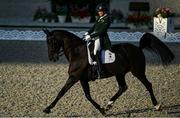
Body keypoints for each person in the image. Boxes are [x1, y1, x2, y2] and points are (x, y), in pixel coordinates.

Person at [84, 3, 112, 78]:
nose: (99, 12)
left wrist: (90, 36)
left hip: (101, 38)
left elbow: (101, 31)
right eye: (99, 11)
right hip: (95, 37)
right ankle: (91, 65)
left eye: (101, 11)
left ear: (104, 11)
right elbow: (94, 27)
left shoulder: (107, 19)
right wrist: (88, 32)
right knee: (88, 47)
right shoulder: (99, 18)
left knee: (96, 51)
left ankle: (101, 70)